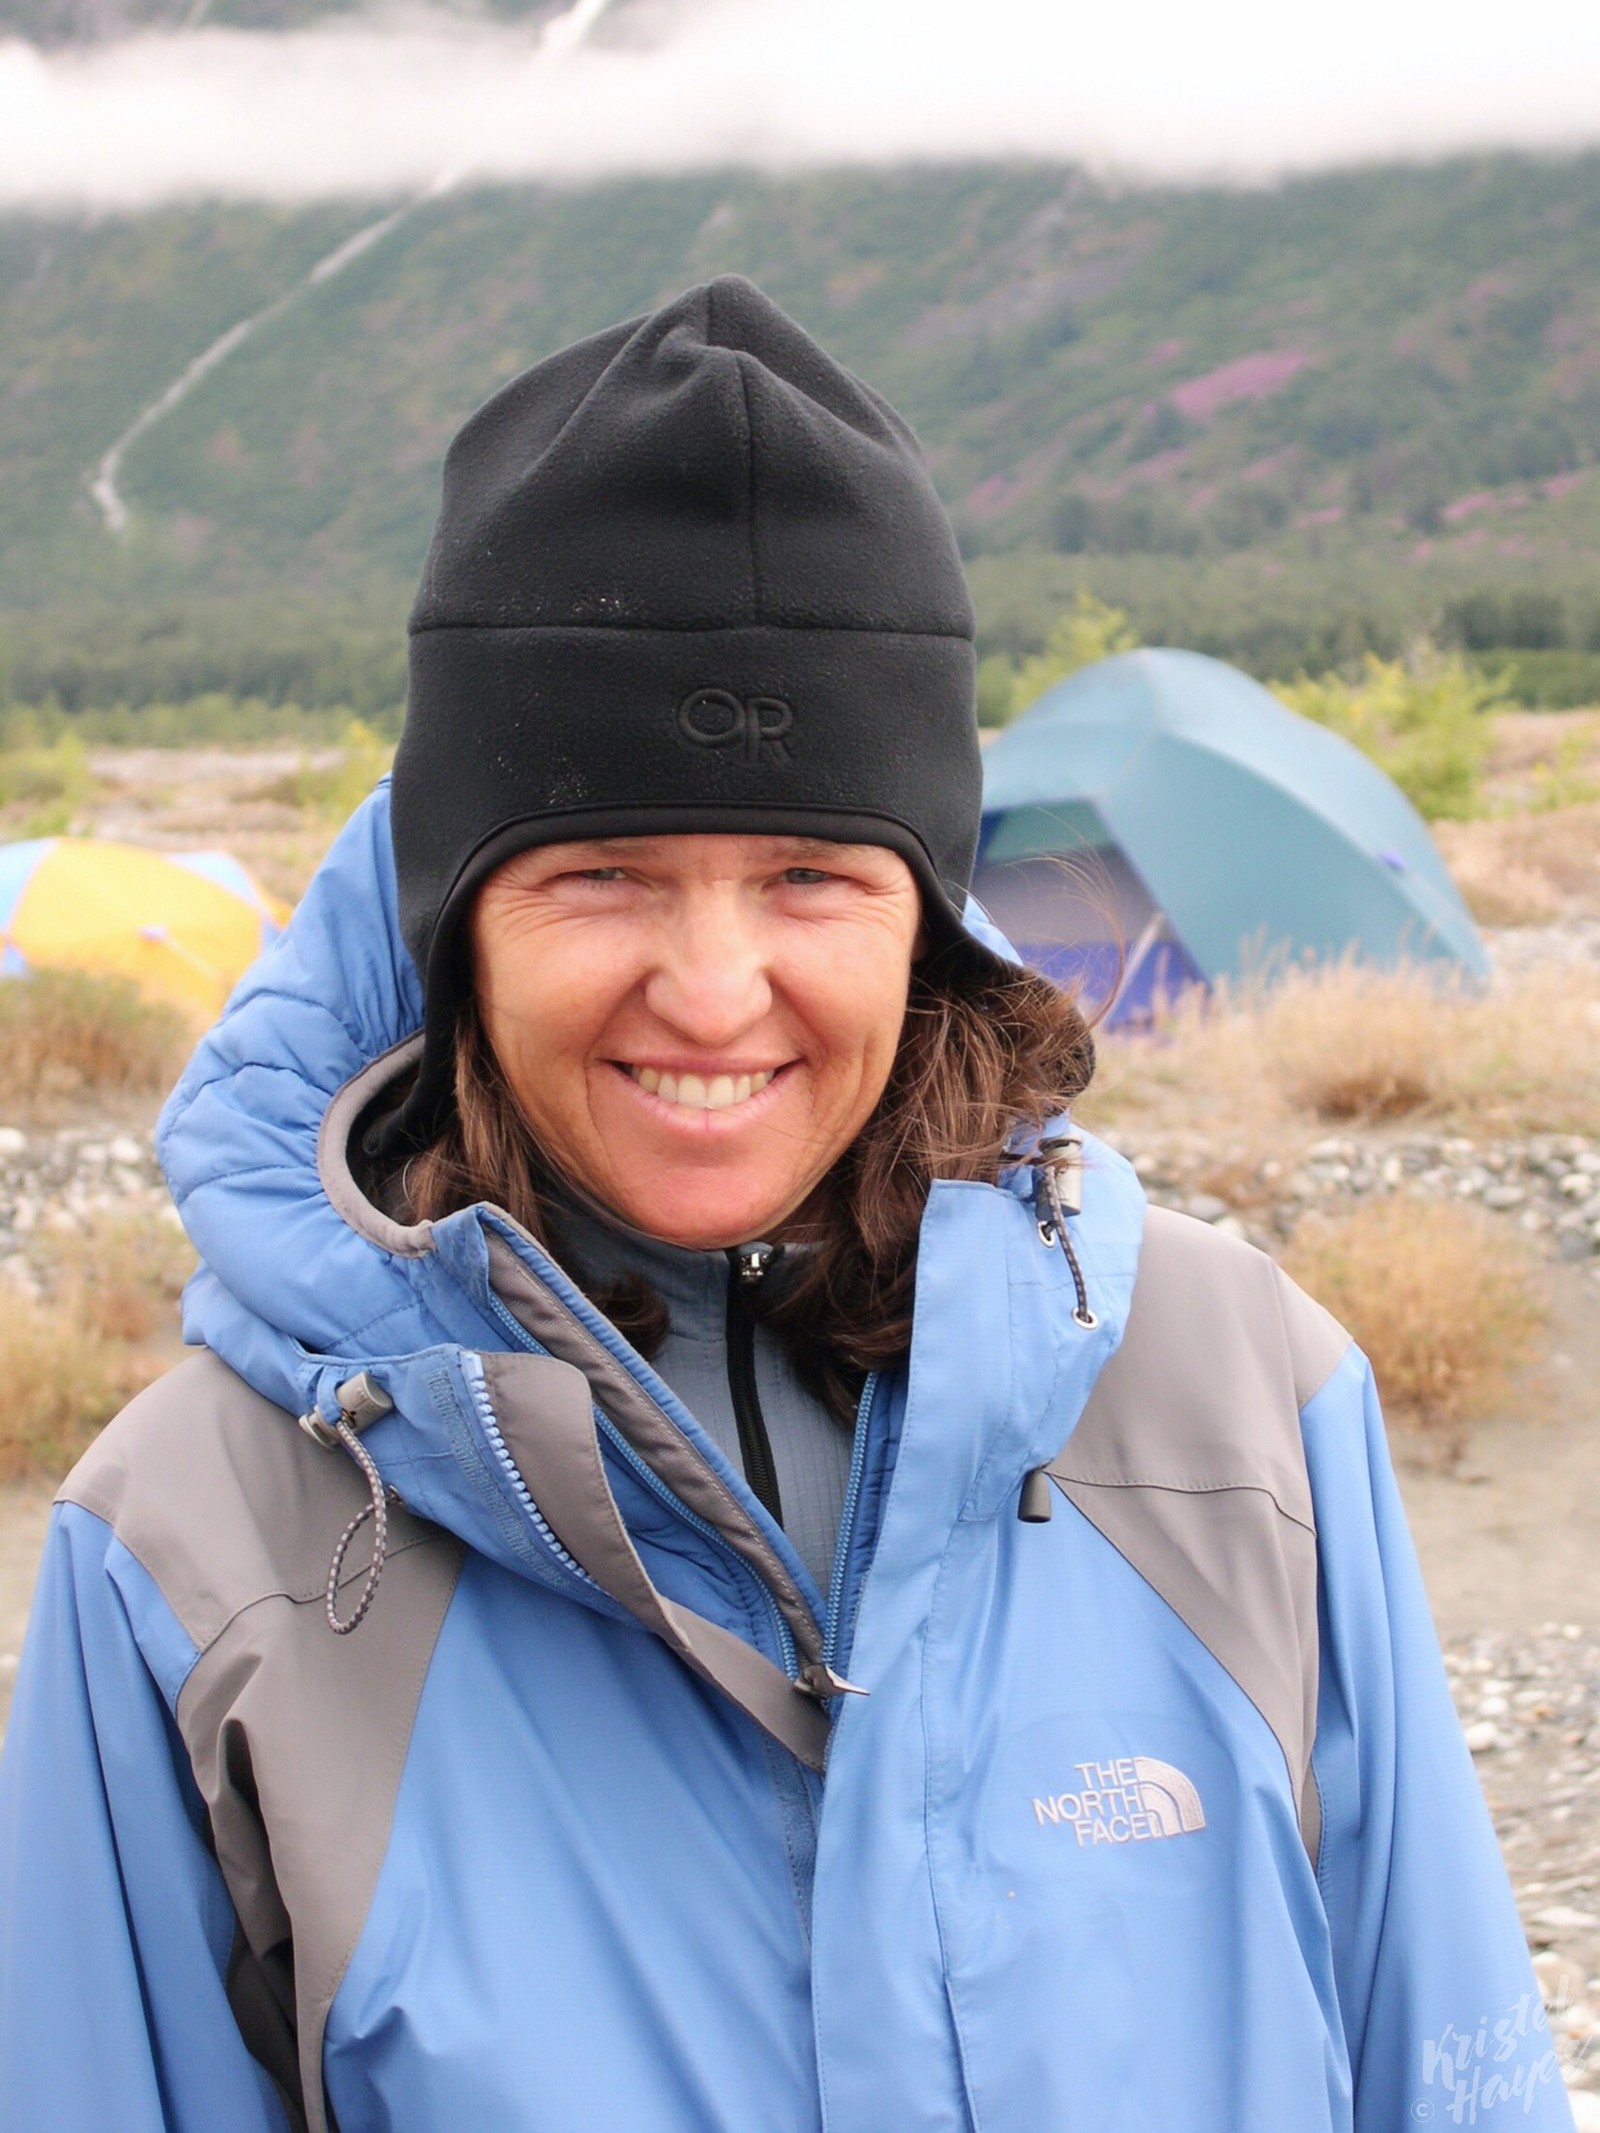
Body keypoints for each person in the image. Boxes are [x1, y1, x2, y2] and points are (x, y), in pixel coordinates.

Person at [0, 277, 1571, 2133]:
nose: (714, 989)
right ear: (455, 922)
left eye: (812, 874)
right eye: (600, 871)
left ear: (929, 918)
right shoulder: (193, 1541)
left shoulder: (1246, 1402)